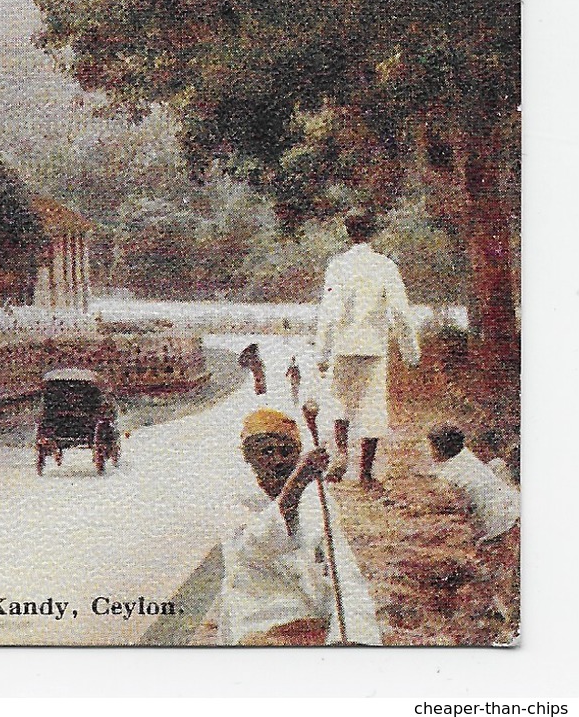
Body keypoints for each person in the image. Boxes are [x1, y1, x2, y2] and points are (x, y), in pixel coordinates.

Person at [216, 409, 383, 646]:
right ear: (249, 457)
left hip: (310, 615)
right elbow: (252, 548)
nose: (277, 460)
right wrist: (296, 484)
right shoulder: (237, 501)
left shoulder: (317, 500)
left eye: (286, 451)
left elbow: (342, 569)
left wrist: (353, 636)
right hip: (257, 618)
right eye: (266, 451)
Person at [314, 208, 422, 483]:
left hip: (343, 345)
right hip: (374, 346)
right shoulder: (385, 265)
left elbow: (329, 312)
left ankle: (340, 457)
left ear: (348, 232)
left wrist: (322, 353)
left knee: (341, 404)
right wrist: (411, 353)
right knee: (373, 408)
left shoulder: (337, 265)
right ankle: (365, 471)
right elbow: (399, 311)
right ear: (372, 232)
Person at [428, 424, 520, 543]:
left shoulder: (448, 475)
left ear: (439, 449)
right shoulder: (466, 455)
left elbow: (448, 509)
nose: (430, 452)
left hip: (499, 527)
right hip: (514, 505)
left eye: (432, 447)